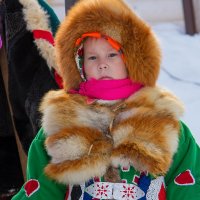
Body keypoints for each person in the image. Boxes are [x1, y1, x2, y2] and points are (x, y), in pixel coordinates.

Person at [12, 0, 200, 199]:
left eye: (112, 55)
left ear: (131, 59)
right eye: (92, 57)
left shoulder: (164, 123)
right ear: (79, 65)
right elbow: (42, 190)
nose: (102, 64)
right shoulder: (60, 127)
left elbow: (188, 184)